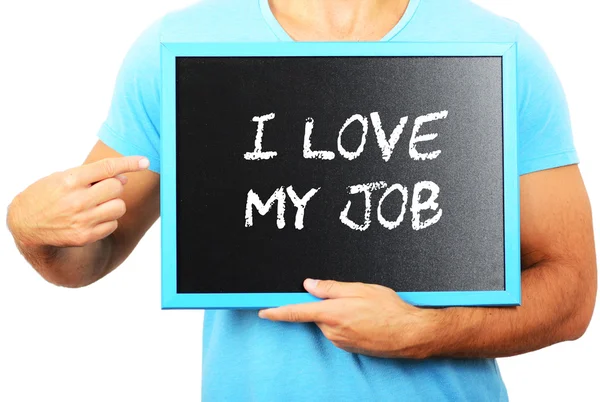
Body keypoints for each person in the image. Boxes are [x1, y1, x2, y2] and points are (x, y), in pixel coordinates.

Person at [6, 0, 597, 400]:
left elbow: (571, 293)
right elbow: (89, 258)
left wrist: (424, 332)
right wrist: (30, 227)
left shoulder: (494, 48)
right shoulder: (180, 47)